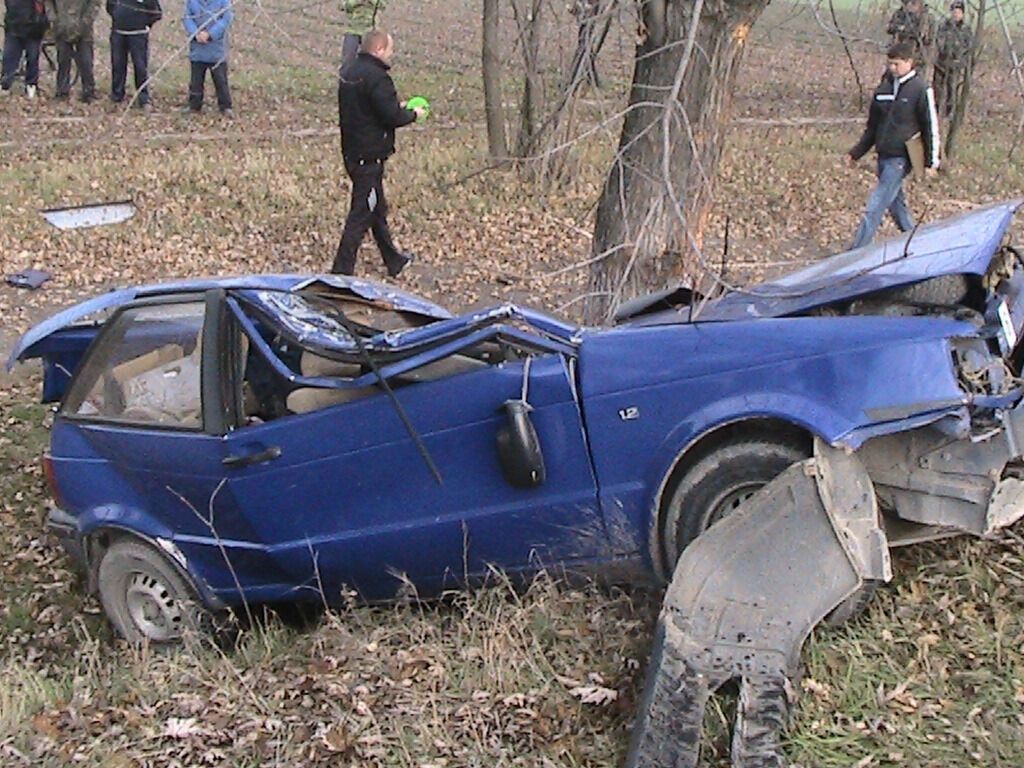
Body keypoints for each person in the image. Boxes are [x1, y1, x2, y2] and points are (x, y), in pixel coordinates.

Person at [333, 29, 423, 277]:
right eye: (390, 49)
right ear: (379, 49)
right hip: (369, 157)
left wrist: (396, 106)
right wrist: (413, 114)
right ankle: (340, 274)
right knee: (361, 214)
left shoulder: (349, 71)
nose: (391, 55)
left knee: (376, 209)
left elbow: (370, 108)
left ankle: (393, 261)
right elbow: (391, 116)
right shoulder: (377, 78)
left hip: (353, 152)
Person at [846, 42, 940, 250]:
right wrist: (855, 153)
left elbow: (930, 126)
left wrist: (931, 161)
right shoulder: (884, 88)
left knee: (876, 205)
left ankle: (855, 252)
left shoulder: (920, 89)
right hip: (883, 154)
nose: (892, 68)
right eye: (890, 64)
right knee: (896, 205)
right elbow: (872, 127)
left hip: (902, 156)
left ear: (909, 62)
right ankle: (917, 242)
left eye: (896, 64)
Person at [107, 0, 161, 109]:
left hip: (138, 35)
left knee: (140, 67)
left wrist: (144, 23)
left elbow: (156, 12)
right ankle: (117, 95)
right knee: (118, 65)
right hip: (118, 33)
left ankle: (143, 98)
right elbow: (110, 7)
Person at [183, 0, 233, 115]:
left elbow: (226, 19)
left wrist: (210, 34)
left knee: (220, 80)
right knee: (196, 80)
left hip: (217, 48)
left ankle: (225, 106)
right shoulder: (191, 1)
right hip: (197, 48)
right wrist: (195, 33)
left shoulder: (223, 1)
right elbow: (187, 18)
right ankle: (194, 105)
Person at [46, 0, 98, 101]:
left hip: (84, 30)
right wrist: (54, 19)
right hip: (62, 28)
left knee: (86, 62)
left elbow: (95, 3)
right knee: (63, 61)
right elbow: (48, 3)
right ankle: (62, 92)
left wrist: (85, 21)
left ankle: (88, 92)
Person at [1, 0, 48, 98]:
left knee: (32, 58)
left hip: (34, 28)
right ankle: (6, 85)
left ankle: (31, 86)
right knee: (9, 58)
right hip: (13, 26)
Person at [934, 0, 972, 117]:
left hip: (955, 64)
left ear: (962, 14)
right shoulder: (943, 26)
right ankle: (936, 110)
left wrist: (961, 60)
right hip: (941, 62)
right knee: (937, 87)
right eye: (954, 12)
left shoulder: (966, 29)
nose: (956, 14)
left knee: (952, 89)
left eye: (958, 12)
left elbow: (968, 47)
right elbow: (938, 42)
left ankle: (950, 112)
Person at [339, 0, 384, 76]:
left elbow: (382, 5)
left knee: (370, 63)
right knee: (347, 62)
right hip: (352, 31)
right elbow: (342, 6)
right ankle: (345, 84)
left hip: (370, 32)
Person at [887, 0, 934, 69]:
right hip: (898, 54)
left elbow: (926, 37)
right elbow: (890, 28)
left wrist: (905, 30)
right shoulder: (899, 14)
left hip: (916, 55)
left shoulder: (926, 17)